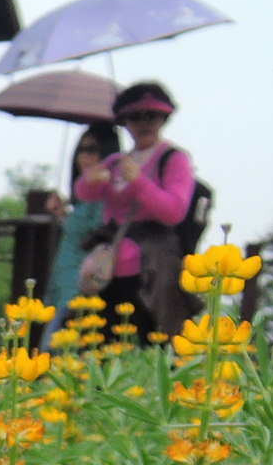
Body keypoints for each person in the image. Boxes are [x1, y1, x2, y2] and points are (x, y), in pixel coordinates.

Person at [76, 82, 196, 340]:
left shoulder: (174, 159)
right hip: (110, 268)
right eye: (135, 116)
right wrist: (92, 179)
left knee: (154, 336)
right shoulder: (117, 162)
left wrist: (139, 182)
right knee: (101, 338)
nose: (144, 123)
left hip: (151, 267)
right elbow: (84, 193)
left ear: (164, 118)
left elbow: (174, 211)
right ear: (125, 121)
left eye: (151, 115)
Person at [40, 127, 120, 341]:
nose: (85, 156)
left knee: (57, 346)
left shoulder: (107, 192)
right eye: (81, 149)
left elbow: (99, 232)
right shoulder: (85, 197)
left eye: (93, 150)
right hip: (62, 279)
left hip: (79, 283)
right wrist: (63, 213)